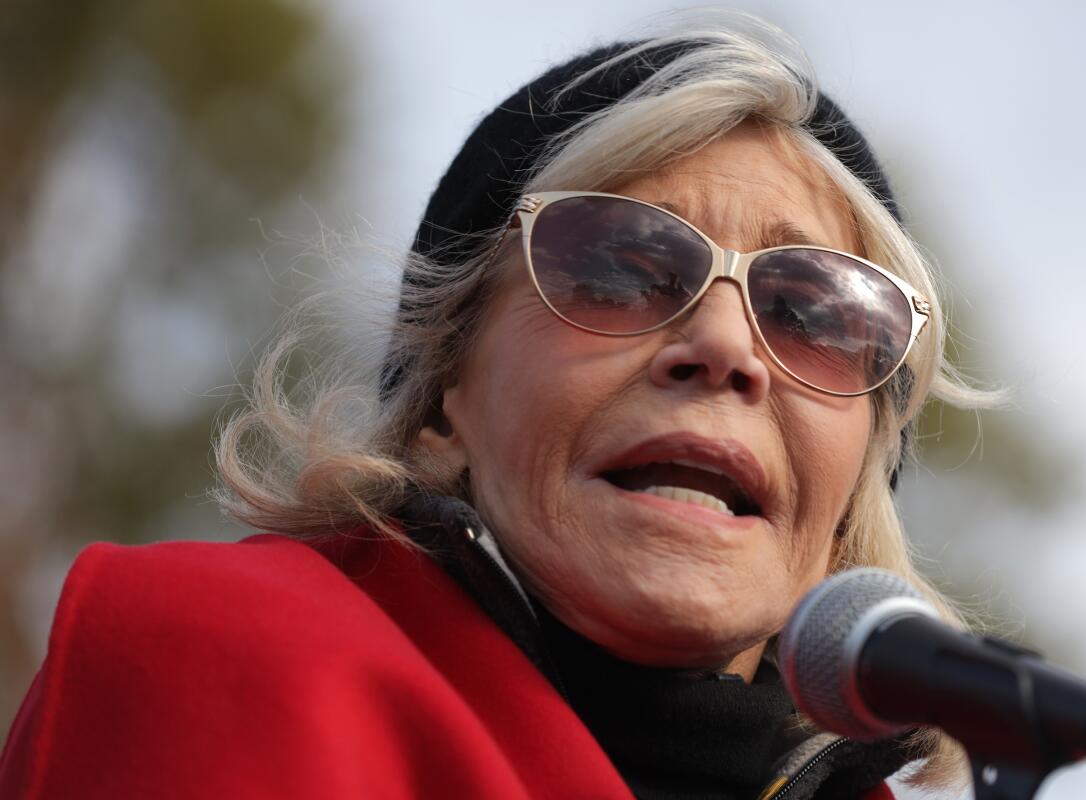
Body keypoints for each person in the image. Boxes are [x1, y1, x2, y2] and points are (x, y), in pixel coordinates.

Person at [0, 13, 988, 800]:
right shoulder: (224, 662)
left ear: (855, 481)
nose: (726, 347)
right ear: (444, 395)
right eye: (616, 267)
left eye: (812, 309)